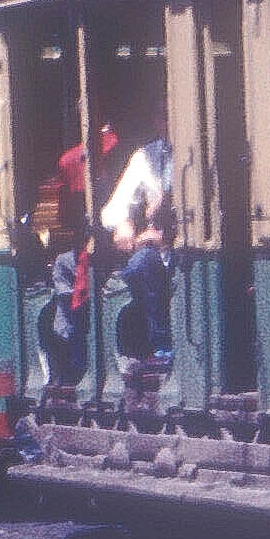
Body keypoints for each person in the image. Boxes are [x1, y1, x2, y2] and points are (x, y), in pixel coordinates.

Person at [99, 105, 176, 379]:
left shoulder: (200, 151)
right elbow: (112, 209)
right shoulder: (146, 156)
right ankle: (162, 344)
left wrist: (169, 234)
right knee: (137, 266)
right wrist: (123, 223)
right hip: (160, 251)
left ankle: (169, 345)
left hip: (192, 245)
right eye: (165, 116)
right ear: (157, 121)